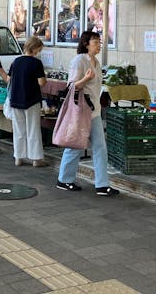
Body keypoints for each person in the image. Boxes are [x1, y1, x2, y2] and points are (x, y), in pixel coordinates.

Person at [55, 31, 120, 196]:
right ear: (86, 44)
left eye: (99, 42)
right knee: (75, 145)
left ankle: (102, 185)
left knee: (100, 147)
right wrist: (85, 79)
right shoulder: (79, 61)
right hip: (81, 111)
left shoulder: (96, 62)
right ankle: (64, 180)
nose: (99, 45)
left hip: (94, 111)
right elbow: (71, 86)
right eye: (95, 42)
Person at [7, 36, 47, 167]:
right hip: (31, 100)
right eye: (39, 49)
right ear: (34, 48)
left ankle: (18, 158)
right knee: (33, 129)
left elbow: (8, 79)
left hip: (15, 99)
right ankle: (36, 159)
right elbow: (41, 82)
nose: (39, 52)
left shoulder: (16, 61)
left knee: (18, 130)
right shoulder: (36, 63)